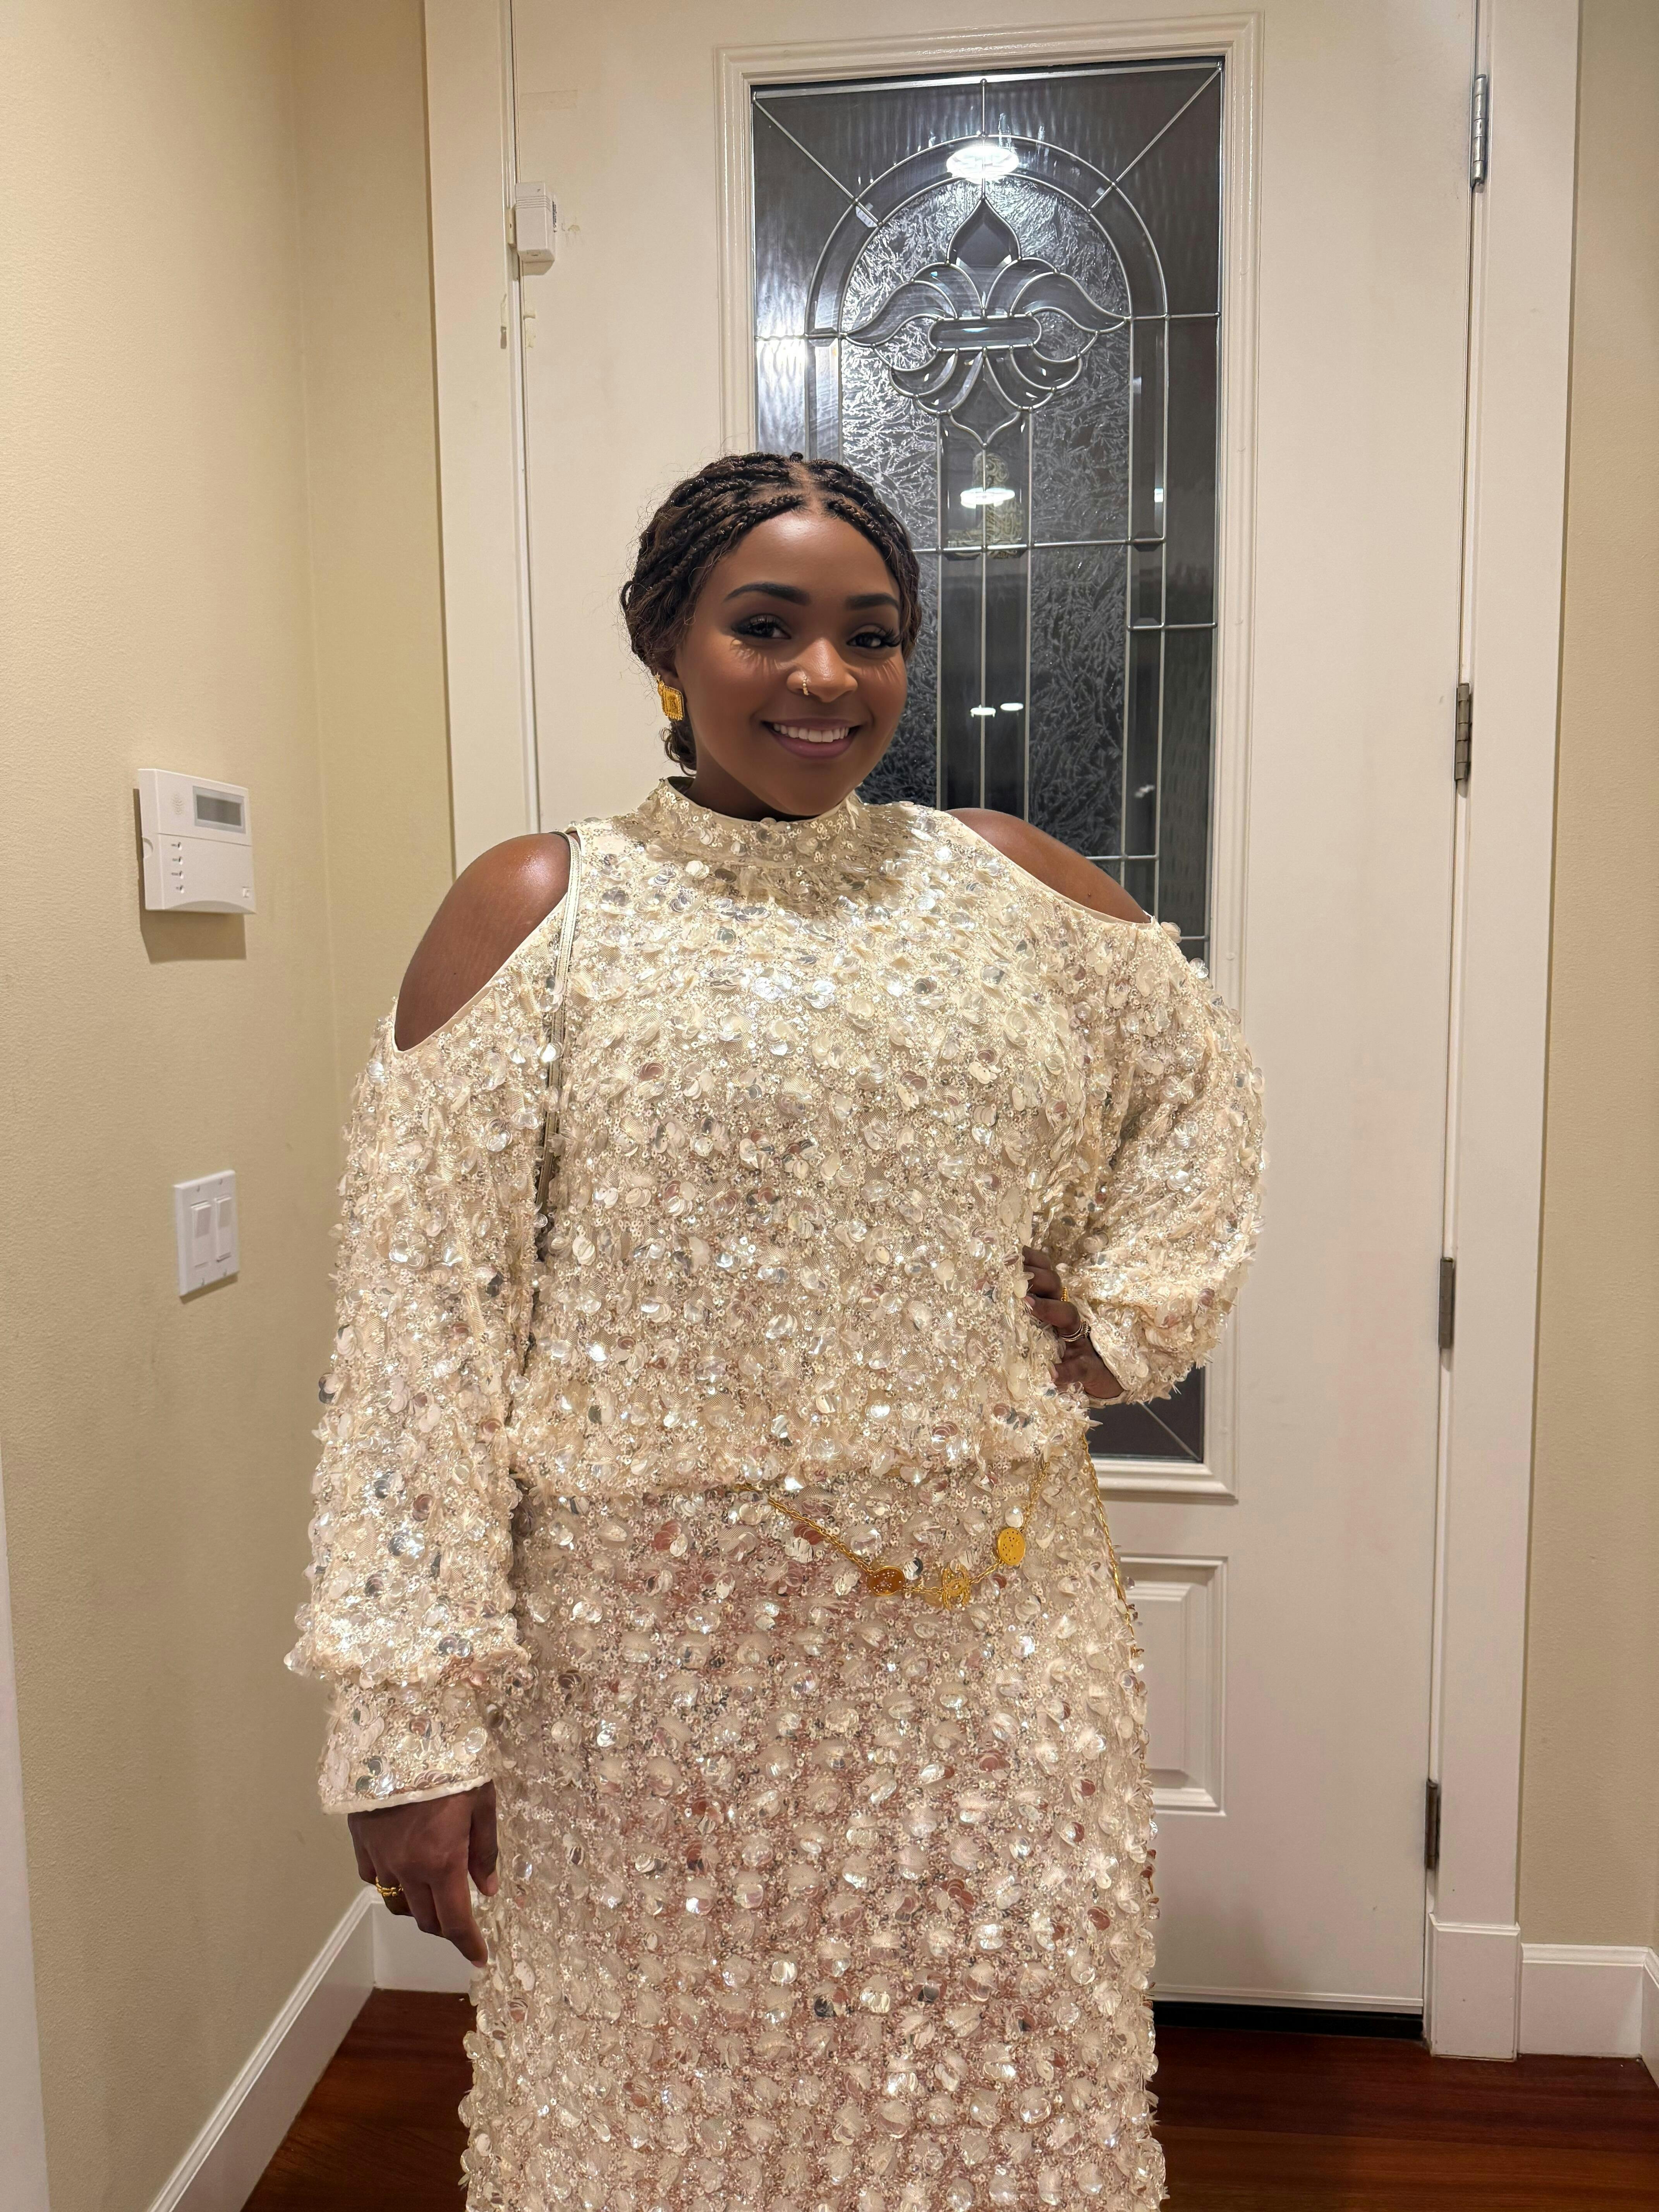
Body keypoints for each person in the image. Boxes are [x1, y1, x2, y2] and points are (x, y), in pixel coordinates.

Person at [288, 451, 1263, 2212]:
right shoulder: (541, 908)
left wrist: (1125, 1314)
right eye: (767, 626)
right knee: (665, 2115)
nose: (826, 676)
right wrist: (410, 1726)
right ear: (666, 644)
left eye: (870, 635)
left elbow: (1200, 1092)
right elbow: (418, 1340)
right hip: (643, 1684)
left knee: (990, 2083)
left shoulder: (1005, 885)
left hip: (992, 1653)